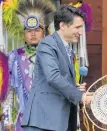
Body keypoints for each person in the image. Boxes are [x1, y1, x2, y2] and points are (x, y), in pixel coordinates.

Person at [21, 5, 92, 131]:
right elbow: (53, 77)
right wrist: (81, 97)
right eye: (77, 27)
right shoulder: (47, 44)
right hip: (43, 122)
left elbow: (58, 80)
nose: (81, 32)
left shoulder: (66, 48)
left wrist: (73, 86)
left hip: (57, 122)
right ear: (63, 26)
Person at [2, 0, 56, 131]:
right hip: (24, 120)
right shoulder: (14, 57)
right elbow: (8, 90)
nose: (33, 34)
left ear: (45, 32)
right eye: (29, 30)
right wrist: (8, 119)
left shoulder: (54, 55)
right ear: (24, 33)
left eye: (37, 30)